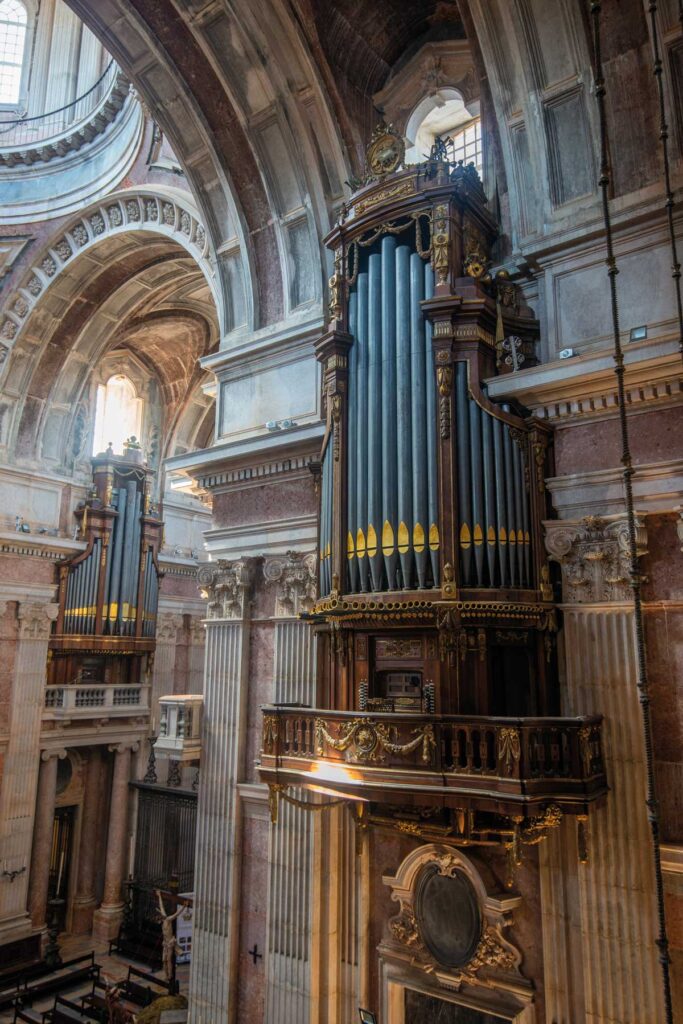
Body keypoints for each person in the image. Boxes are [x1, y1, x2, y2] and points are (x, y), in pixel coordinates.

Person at [156, 889, 187, 981]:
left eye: (159, 920)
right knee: (163, 960)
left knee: (169, 959)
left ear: (161, 918)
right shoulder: (163, 917)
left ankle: (170, 975)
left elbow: (176, 914)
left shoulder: (168, 920)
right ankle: (166, 974)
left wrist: (184, 907)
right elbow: (161, 906)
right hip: (165, 943)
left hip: (170, 942)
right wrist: (159, 896)